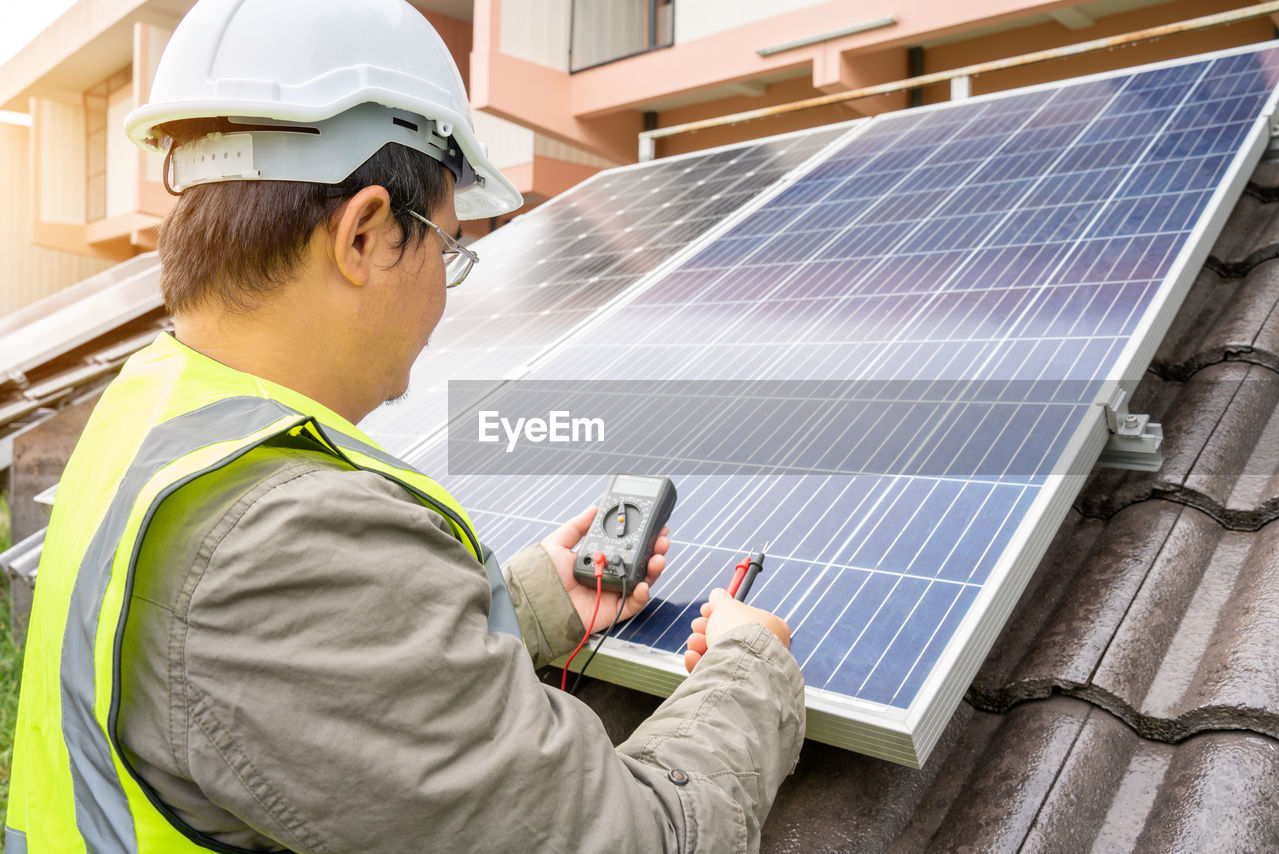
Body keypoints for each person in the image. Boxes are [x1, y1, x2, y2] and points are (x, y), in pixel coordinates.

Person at [5, 1, 805, 851]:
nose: (443, 297)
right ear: (365, 233)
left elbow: (284, 695)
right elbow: (637, 838)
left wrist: (529, 603)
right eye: (448, 249)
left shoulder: (153, 409)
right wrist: (750, 671)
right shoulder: (288, 539)